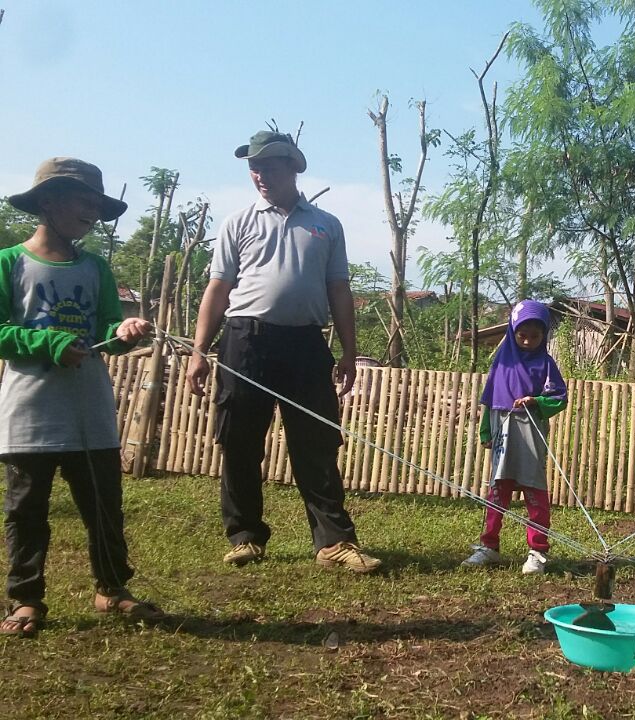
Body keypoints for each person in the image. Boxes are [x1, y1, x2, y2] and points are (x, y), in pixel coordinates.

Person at [186, 131, 381, 574]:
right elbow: (218, 288)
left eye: (269, 166)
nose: (259, 174)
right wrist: (200, 350)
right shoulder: (237, 222)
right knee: (238, 439)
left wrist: (349, 352)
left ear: (293, 167)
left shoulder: (326, 224)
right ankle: (245, 535)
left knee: (316, 441)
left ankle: (334, 542)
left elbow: (339, 289)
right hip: (245, 340)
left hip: (306, 343)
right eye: (253, 167)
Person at [0, 158, 164, 637]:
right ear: (49, 202)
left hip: (90, 411)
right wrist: (48, 343)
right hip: (31, 411)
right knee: (27, 511)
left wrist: (125, 331)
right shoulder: (10, 263)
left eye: (98, 203)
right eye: (84, 200)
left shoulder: (96, 268)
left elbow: (108, 330)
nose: (93, 211)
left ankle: (112, 588)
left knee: (103, 506)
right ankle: (27, 598)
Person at [461, 300, 567, 575]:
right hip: (502, 431)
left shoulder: (545, 364)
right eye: (523, 335)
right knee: (497, 491)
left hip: (530, 433)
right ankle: (490, 547)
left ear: (544, 335)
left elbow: (559, 398)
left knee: (534, 492)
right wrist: (486, 431)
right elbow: (490, 400)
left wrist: (537, 401)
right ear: (512, 331)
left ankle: (538, 551)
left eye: (535, 336)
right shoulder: (502, 362)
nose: (528, 341)